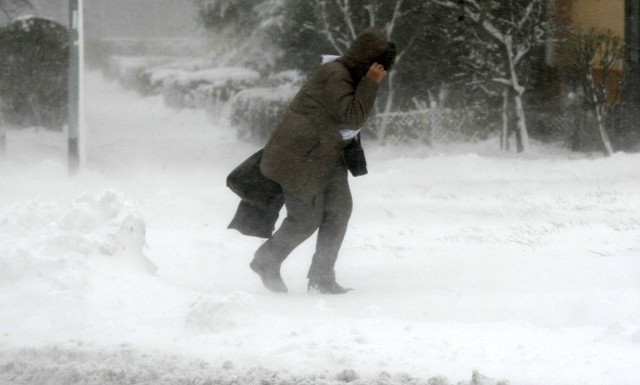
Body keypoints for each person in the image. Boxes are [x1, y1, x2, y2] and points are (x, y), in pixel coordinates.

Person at [250, 26, 395, 294]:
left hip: (326, 154)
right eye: (378, 67)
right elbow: (353, 116)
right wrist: (370, 83)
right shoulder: (336, 76)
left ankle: (322, 277)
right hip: (299, 157)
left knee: (339, 210)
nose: (380, 73)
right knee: (305, 219)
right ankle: (265, 261)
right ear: (367, 61)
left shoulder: (348, 74)